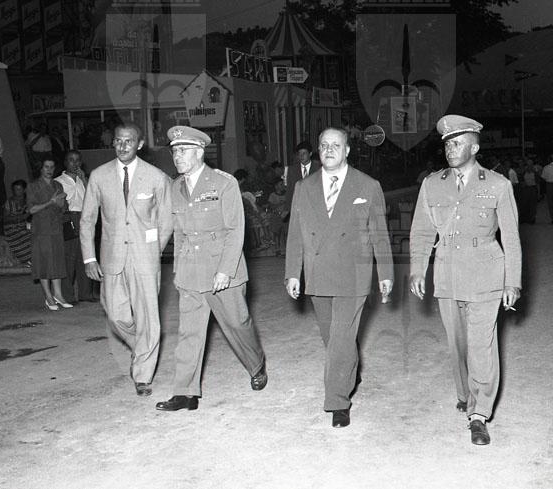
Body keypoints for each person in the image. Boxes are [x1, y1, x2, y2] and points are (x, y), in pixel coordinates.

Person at [409, 115, 521, 446]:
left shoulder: (498, 184)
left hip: (487, 275)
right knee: (457, 345)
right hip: (447, 275)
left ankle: (479, 414)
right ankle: (465, 394)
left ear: (474, 147)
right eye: (446, 144)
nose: (450, 149)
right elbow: (422, 231)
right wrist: (418, 269)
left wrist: (512, 281)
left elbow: (511, 238)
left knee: (481, 345)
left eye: (457, 143)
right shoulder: (432, 184)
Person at [284, 127, 393, 428]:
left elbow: (379, 234)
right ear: (318, 151)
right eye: (324, 145)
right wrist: (292, 273)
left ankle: (337, 401)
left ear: (347, 150)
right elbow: (295, 234)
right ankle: (348, 369)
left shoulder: (367, 185)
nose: (329, 150)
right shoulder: (303, 187)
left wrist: (385, 272)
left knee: (342, 336)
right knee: (332, 338)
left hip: (353, 274)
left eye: (336, 145)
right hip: (318, 273)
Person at [156, 126, 267, 413]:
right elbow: (179, 232)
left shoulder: (224, 183)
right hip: (191, 271)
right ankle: (186, 393)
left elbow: (235, 230)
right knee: (188, 333)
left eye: (183, 150)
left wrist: (225, 270)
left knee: (237, 325)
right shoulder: (175, 187)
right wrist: (178, 270)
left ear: (200, 152)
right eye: (174, 151)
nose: (177, 156)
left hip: (222, 270)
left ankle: (256, 365)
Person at [80, 123, 172, 396]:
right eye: (118, 141)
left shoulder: (156, 177)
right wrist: (89, 258)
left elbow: (167, 220)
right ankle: (141, 347)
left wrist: (154, 250)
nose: (122, 146)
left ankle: (143, 375)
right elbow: (87, 220)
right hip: (112, 258)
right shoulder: (99, 176)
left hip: (145, 259)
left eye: (128, 141)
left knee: (148, 317)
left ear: (139, 144)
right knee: (116, 316)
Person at [27, 157, 72, 311]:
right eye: (46, 167)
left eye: (52, 167)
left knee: (57, 260)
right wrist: (50, 202)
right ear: (41, 168)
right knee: (44, 262)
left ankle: (58, 295)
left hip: (56, 228)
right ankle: (48, 296)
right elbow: (31, 209)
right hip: (41, 230)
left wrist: (61, 203)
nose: (49, 170)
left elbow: (63, 208)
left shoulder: (58, 185)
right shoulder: (33, 186)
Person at [55, 150, 96, 302]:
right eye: (71, 160)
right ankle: (67, 295)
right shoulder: (58, 181)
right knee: (68, 258)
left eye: (77, 160)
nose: (75, 163)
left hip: (84, 218)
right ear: (65, 162)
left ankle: (85, 294)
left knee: (85, 256)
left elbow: (93, 198)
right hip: (68, 218)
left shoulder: (82, 180)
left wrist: (84, 179)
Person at [284, 141, 321, 217]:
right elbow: (289, 190)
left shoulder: (318, 169)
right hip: (297, 208)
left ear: (310, 154)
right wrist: (288, 209)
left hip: (314, 208)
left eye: (304, 153)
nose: (301, 156)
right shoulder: (291, 170)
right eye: (299, 154)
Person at [3, 179, 32, 266]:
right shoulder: (10, 202)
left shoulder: (28, 201)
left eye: (19, 189)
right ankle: (28, 260)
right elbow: (6, 218)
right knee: (26, 238)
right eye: (15, 189)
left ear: (24, 190)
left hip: (23, 226)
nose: (16, 192)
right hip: (11, 228)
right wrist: (20, 217)